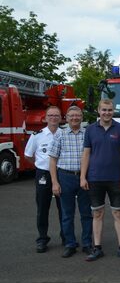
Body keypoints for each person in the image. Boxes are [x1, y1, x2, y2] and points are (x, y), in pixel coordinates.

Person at [80, 99, 120, 261]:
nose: (107, 113)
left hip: (116, 179)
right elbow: (86, 154)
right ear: (98, 111)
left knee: (118, 213)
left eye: (109, 110)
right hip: (95, 178)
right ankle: (97, 248)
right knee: (97, 214)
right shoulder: (90, 130)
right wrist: (83, 176)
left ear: (113, 111)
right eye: (104, 110)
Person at [48, 106, 92, 258]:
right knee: (67, 214)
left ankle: (87, 244)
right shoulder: (60, 134)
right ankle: (70, 244)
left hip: (85, 177)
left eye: (77, 115)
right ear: (66, 118)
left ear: (82, 117)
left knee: (86, 213)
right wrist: (55, 182)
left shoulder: (87, 134)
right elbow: (52, 160)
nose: (75, 118)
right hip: (65, 177)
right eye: (71, 115)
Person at [24, 105, 64, 253]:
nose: (53, 118)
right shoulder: (37, 135)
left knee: (64, 208)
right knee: (42, 208)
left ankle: (66, 237)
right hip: (43, 174)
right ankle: (42, 239)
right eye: (50, 115)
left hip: (61, 173)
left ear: (60, 118)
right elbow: (28, 155)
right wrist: (39, 164)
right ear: (45, 118)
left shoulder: (64, 134)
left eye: (56, 115)